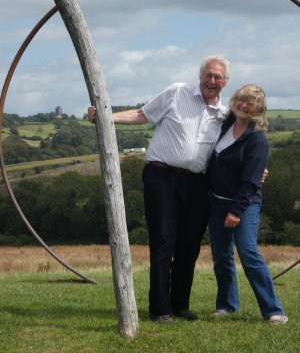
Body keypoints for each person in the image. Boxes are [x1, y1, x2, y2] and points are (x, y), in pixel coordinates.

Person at [88, 54, 230, 323]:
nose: (211, 81)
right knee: (164, 240)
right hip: (162, 175)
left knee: (189, 245)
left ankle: (180, 305)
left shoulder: (224, 115)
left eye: (217, 77)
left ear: (225, 82)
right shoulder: (177, 93)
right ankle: (160, 309)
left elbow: (239, 144)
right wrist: (105, 115)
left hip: (198, 183)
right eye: (208, 75)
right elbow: (142, 115)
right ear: (200, 76)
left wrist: (258, 169)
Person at [207, 84, 288, 325]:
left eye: (249, 103)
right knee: (221, 257)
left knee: (248, 253)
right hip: (216, 202)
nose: (243, 105)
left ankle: (273, 310)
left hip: (244, 204)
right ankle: (226, 304)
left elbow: (251, 181)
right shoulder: (226, 122)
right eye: (240, 99)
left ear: (258, 109)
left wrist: (236, 211)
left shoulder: (257, 139)